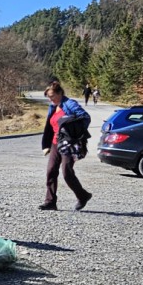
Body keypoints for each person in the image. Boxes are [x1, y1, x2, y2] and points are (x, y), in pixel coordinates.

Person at [39, 80, 93, 211]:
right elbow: (50, 127)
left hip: (68, 144)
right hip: (55, 143)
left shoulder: (69, 104)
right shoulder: (53, 106)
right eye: (48, 97)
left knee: (67, 172)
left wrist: (74, 132)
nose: (50, 99)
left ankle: (83, 196)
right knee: (51, 171)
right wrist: (46, 144)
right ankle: (50, 202)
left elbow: (85, 118)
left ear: (60, 93)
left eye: (52, 96)